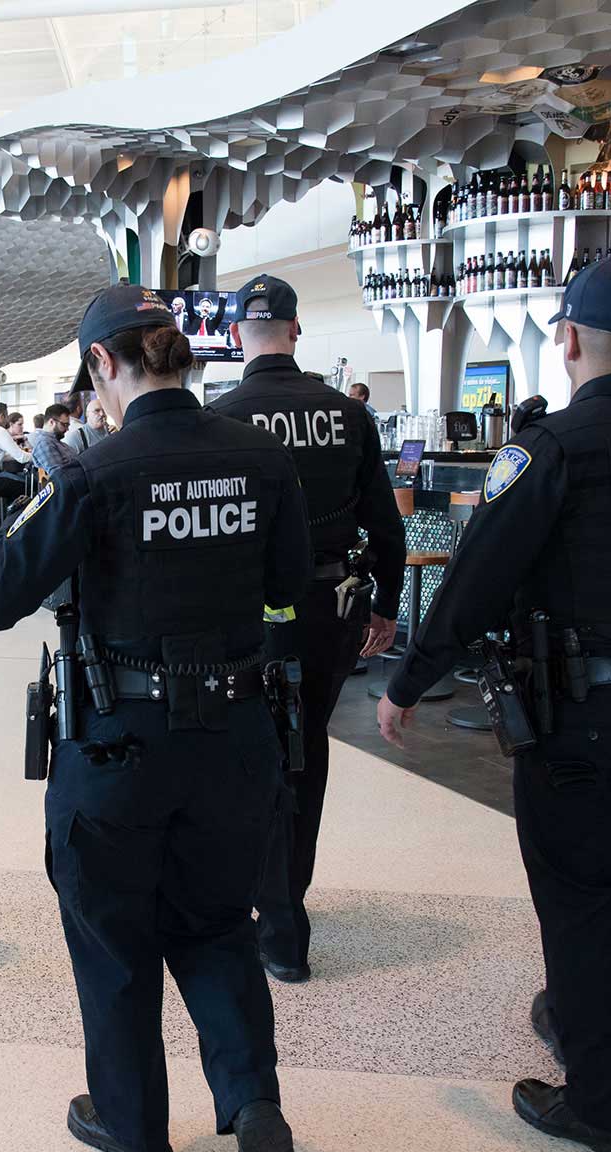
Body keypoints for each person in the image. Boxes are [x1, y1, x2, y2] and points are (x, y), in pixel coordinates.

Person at [375, 257, 611, 1152]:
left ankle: (606, 1104)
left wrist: (406, 679)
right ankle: (571, 1011)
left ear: (569, 338)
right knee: (593, 875)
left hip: (577, 719)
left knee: (577, 899)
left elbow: (475, 580)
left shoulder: (550, 449)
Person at [0, 284, 313, 1152]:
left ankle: (134, 1124)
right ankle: (252, 1104)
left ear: (103, 366)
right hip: (236, 739)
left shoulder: (93, 474)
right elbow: (286, 584)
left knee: (114, 937)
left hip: (119, 745)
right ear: (182, 358)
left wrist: (58, 497)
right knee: (214, 925)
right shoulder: (261, 458)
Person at [208, 273, 405, 983]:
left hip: (246, 617)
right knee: (307, 750)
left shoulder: (221, 416)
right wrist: (387, 604)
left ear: (236, 336)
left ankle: (267, 908)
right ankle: (288, 914)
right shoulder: (346, 415)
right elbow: (385, 524)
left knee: (253, 756)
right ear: (295, 330)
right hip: (331, 611)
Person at [29, 402, 75, 474]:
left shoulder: (56, 442)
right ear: (51, 422)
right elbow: (59, 476)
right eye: (65, 425)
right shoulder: (44, 443)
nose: (67, 429)